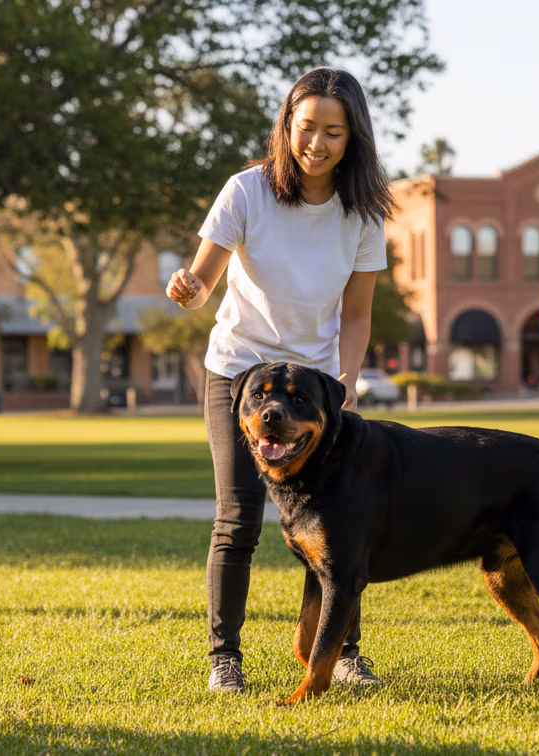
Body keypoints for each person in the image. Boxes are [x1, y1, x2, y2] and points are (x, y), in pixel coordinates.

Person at [165, 68, 397, 693]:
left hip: (315, 385)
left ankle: (342, 655)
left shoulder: (363, 213)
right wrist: (188, 291)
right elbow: (203, 283)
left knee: (337, 523)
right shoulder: (247, 191)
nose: (316, 144)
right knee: (238, 518)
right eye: (306, 128)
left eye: (333, 132)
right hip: (240, 372)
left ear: (353, 137)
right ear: (286, 126)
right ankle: (225, 660)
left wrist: (346, 379)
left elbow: (356, 313)